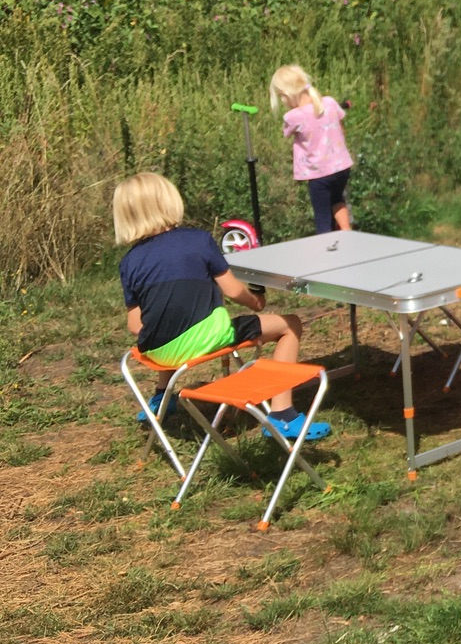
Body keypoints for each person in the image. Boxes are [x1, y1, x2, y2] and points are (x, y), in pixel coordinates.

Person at [115, 172, 331, 441]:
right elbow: (232, 290)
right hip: (208, 338)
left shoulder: (129, 262)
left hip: (159, 352)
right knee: (291, 325)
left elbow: (135, 325)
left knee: (168, 319)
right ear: (169, 201)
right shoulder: (198, 240)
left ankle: (162, 397)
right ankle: (282, 414)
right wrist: (256, 302)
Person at [269, 64, 354, 234]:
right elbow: (341, 129)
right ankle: (347, 233)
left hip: (319, 174)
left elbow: (286, 133)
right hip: (342, 168)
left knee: (322, 218)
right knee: (337, 199)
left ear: (286, 95)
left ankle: (325, 247)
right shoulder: (329, 102)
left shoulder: (293, 116)